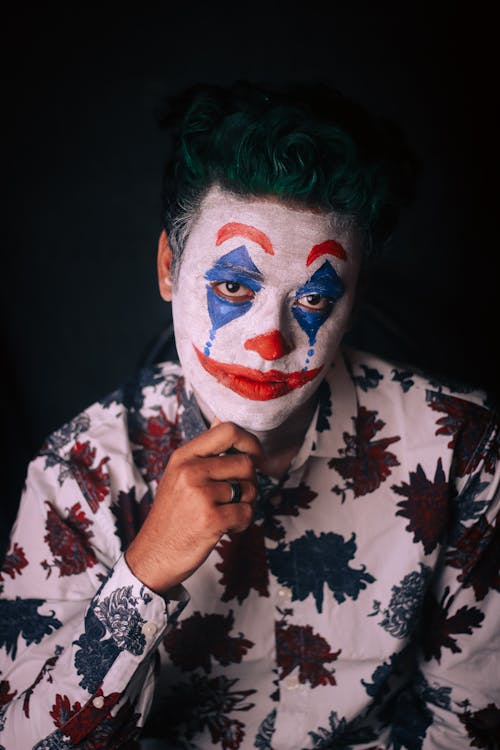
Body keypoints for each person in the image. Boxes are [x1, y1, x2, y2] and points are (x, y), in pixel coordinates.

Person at [0, 81, 498, 750]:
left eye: (315, 300)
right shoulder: (77, 475)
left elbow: (469, 718)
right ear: (170, 269)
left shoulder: (463, 447)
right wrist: (143, 577)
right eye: (234, 286)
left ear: (354, 299)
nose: (270, 343)